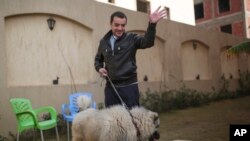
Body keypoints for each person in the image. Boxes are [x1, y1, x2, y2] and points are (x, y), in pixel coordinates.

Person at [94, 6, 167, 109]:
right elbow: (98, 59)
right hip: (111, 88)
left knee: (133, 120)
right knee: (112, 121)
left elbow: (148, 42)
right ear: (111, 24)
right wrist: (99, 68)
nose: (120, 28)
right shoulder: (103, 42)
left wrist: (152, 25)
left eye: (123, 25)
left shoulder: (131, 39)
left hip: (129, 87)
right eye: (117, 25)